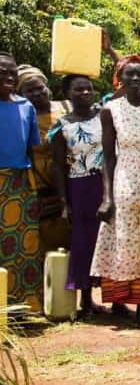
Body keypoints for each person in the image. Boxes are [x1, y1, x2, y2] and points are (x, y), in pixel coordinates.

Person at [90, 55, 140, 325]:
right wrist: (107, 196)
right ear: (119, 79)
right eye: (129, 75)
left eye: (139, 74)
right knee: (133, 244)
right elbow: (108, 157)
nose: (135, 79)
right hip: (128, 183)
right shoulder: (110, 110)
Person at [50, 75, 104, 317]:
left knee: (108, 240)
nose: (85, 92)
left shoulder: (105, 116)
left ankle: (114, 297)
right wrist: (64, 202)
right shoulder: (61, 126)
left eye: (88, 88)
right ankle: (86, 300)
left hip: (106, 183)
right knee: (83, 241)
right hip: (80, 187)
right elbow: (58, 166)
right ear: (67, 94)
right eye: (78, 89)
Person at [0, 52, 42, 310]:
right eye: (2, 71)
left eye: (12, 71)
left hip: (18, 184)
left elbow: (32, 150)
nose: (8, 75)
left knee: (22, 248)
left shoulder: (26, 107)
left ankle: (23, 307)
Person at [18, 65, 72, 254]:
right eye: (29, 90)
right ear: (21, 94)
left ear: (47, 86)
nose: (36, 93)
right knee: (48, 239)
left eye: (39, 87)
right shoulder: (22, 117)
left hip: (72, 179)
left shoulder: (67, 106)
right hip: (40, 185)